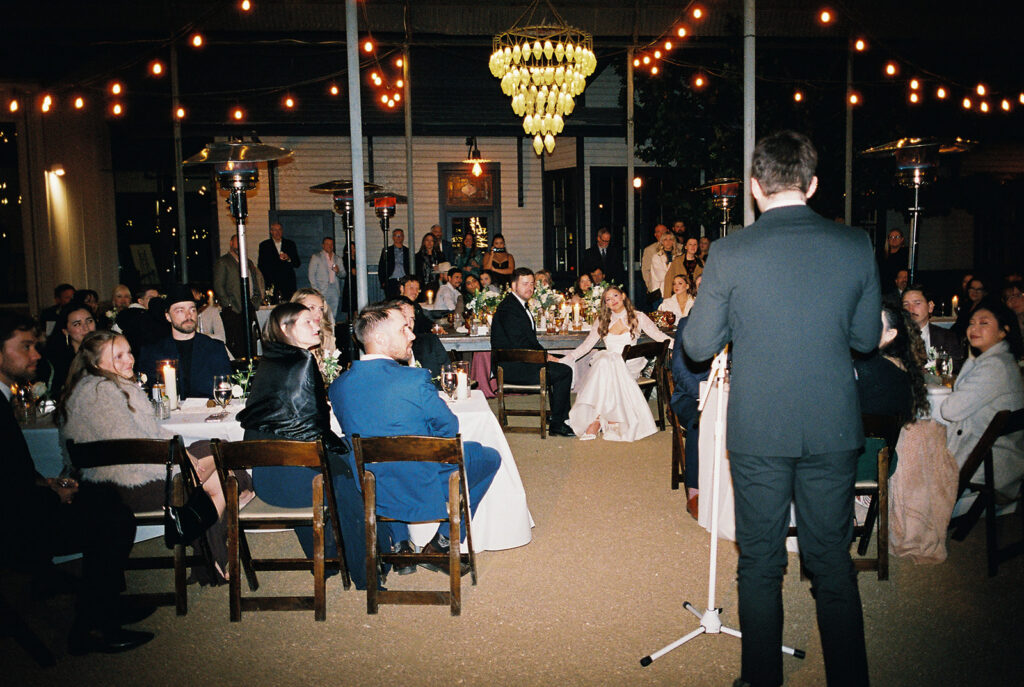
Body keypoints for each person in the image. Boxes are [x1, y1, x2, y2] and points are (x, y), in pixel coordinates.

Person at [682, 131, 880, 687]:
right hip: (833, 428)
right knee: (832, 564)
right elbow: (866, 339)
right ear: (813, 184)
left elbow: (697, 347)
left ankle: (761, 681)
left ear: (753, 187)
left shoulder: (729, 253)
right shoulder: (855, 246)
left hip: (759, 432)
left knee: (762, 564)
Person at [0, 313, 155, 655]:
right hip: (13, 525)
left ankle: (106, 603)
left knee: (105, 503)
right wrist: (50, 495)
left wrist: (47, 483)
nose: (37, 354)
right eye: (26, 346)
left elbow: (11, 471)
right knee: (112, 519)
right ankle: (90, 628)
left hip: (23, 502)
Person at [58, 329, 244, 582]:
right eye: (118, 356)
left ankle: (211, 558)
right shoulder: (102, 393)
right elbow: (129, 450)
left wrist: (187, 458)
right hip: (123, 486)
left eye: (129, 352)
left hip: (126, 476)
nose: (129, 360)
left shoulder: (103, 385)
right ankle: (214, 557)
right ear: (95, 363)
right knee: (225, 473)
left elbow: (151, 435)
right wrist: (183, 465)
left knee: (213, 449)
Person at [329, 301, 500, 574]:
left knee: (387, 461)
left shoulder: (338, 387)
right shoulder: (413, 379)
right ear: (381, 339)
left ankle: (399, 543)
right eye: (404, 329)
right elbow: (448, 429)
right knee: (488, 456)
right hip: (421, 483)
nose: (412, 335)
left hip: (372, 486)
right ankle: (443, 541)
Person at [237, 303, 397, 588]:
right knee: (353, 473)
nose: (316, 327)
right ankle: (365, 574)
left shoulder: (270, 360)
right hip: (295, 486)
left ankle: (326, 560)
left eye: (316, 321)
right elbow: (313, 430)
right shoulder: (302, 361)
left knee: (343, 456)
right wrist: (345, 454)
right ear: (285, 329)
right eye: (307, 323)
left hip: (267, 479)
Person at [940, 298, 1024, 512]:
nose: (974, 328)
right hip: (993, 455)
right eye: (971, 323)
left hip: (987, 463)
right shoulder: (1000, 360)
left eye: (984, 323)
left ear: (1003, 331)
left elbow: (949, 410)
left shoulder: (994, 367)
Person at [560, 285, 670, 441]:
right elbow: (586, 346)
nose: (613, 301)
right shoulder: (602, 320)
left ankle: (596, 422)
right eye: (608, 299)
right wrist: (565, 359)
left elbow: (659, 336)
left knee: (606, 362)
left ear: (623, 296)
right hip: (608, 364)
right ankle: (601, 419)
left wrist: (682, 346)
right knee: (606, 360)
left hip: (630, 364)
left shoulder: (638, 316)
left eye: (615, 296)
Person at [491, 268, 574, 437]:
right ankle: (559, 424)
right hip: (512, 367)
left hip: (521, 360)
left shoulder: (517, 304)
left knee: (563, 363)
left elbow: (529, 341)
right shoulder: (509, 309)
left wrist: (546, 356)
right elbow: (519, 344)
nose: (530, 288)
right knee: (565, 371)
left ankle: (560, 417)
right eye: (525, 284)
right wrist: (545, 357)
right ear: (514, 286)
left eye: (532, 284)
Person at [136, 284, 232, 399]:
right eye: (180, 310)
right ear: (168, 316)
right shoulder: (152, 352)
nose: (188, 315)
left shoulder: (215, 348)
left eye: (192, 309)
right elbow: (147, 394)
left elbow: (224, 390)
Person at [670, 315, 710, 519]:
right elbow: (678, 368)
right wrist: (703, 394)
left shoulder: (737, 320)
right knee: (700, 423)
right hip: (690, 395)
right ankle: (695, 492)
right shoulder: (689, 322)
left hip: (727, 392)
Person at [213, 234, 265, 358]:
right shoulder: (224, 262)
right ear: (231, 243)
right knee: (236, 343)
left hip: (249, 307)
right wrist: (228, 304)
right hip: (233, 310)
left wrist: (256, 300)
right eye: (237, 242)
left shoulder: (248, 262)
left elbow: (255, 281)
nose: (240, 245)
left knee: (250, 342)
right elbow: (218, 285)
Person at [901, 284, 965, 372]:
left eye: (917, 303)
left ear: (930, 307)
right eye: (906, 304)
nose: (910, 309)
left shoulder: (947, 337)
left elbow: (956, 368)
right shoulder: (897, 338)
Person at [40, 303, 96, 398]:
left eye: (89, 321)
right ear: (65, 331)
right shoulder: (58, 360)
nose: (86, 327)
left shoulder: (105, 352)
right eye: (77, 324)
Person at [113, 286, 164, 355]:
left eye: (158, 298)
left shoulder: (157, 316)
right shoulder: (130, 316)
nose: (156, 301)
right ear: (140, 301)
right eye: (151, 298)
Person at [257, 221, 301, 301]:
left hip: (288, 282)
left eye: (279, 230)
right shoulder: (264, 245)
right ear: (271, 231)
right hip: (271, 283)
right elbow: (261, 265)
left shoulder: (290, 244)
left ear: (282, 231)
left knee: (289, 306)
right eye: (275, 230)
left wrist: (288, 258)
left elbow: (297, 263)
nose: (277, 232)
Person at [308, 236, 345, 321]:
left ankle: (331, 331)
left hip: (334, 289)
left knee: (333, 313)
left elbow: (343, 274)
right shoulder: (316, 257)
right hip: (321, 289)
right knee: (321, 312)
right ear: (323, 245)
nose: (329, 246)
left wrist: (338, 271)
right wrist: (316, 290)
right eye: (327, 244)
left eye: (331, 244)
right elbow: (311, 275)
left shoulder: (337, 259)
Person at [641, 224, 669, 309]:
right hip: (657, 291)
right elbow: (645, 270)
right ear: (655, 235)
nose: (661, 234)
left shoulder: (679, 248)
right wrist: (650, 287)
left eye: (663, 231)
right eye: (658, 232)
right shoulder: (649, 250)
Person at [377, 228, 411, 299]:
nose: (398, 237)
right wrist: (383, 281)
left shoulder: (408, 251)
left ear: (403, 237)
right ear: (393, 237)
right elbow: (381, 267)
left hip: (404, 280)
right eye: (396, 235)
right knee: (391, 302)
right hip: (391, 281)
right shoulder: (387, 250)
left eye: (400, 235)